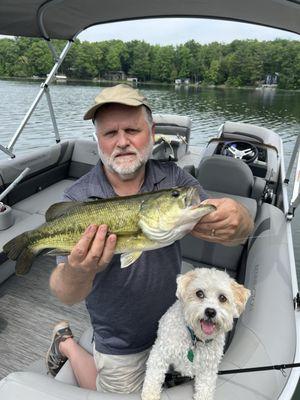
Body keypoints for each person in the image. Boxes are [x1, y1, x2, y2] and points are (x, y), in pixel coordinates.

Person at [46, 84, 254, 393]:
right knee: (109, 389)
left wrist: (238, 218)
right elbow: (65, 293)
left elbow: (234, 231)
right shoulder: (79, 199)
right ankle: (67, 345)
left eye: (132, 129)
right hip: (120, 338)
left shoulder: (175, 181)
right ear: (98, 140)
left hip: (176, 320)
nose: (122, 142)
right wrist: (78, 270)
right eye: (109, 133)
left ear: (152, 131)